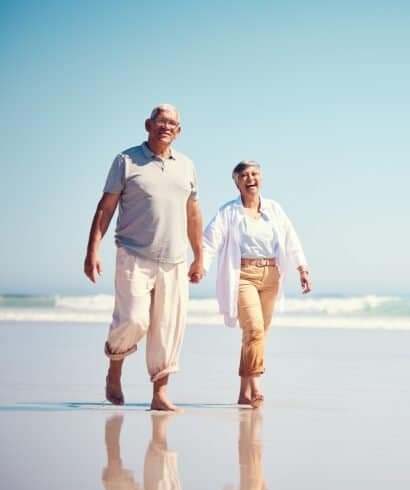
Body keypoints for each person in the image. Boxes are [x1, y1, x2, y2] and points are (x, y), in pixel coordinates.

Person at [84, 104, 203, 412]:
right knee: (135, 319)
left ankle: (159, 394)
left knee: (167, 329)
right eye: (161, 121)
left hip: (174, 259)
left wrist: (199, 256)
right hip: (133, 254)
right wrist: (92, 250)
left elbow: (193, 213)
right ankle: (115, 366)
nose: (166, 126)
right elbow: (105, 207)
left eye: (173, 123)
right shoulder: (126, 160)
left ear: (179, 131)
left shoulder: (187, 165)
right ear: (148, 125)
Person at [203, 160, 311, 407]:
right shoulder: (229, 211)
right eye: (244, 175)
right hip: (242, 275)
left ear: (261, 179)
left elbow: (291, 238)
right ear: (237, 182)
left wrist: (302, 268)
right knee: (254, 329)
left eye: (255, 174)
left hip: (272, 275)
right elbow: (210, 240)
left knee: (257, 335)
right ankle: (255, 386)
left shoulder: (274, 209)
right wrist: (201, 265)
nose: (250, 178)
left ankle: (243, 393)